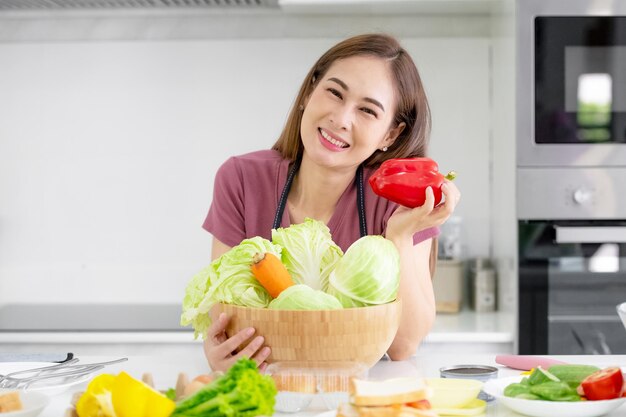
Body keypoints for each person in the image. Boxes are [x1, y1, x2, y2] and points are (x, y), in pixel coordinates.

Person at [202, 33, 461, 372]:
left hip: (361, 394)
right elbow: (225, 313)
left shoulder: (395, 200)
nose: (341, 118)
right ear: (309, 93)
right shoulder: (241, 179)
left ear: (390, 135)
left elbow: (403, 346)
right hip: (272, 386)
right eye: (334, 93)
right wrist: (223, 350)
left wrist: (398, 236)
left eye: (367, 110)